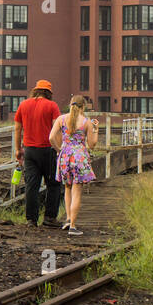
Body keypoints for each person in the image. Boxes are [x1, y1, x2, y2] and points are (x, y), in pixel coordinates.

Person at [13, 79, 62, 229]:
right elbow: (57, 128)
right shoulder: (52, 106)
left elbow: (17, 129)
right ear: (48, 93)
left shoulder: (23, 105)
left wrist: (18, 149)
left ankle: (31, 220)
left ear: (35, 90)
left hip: (29, 151)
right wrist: (60, 148)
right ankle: (49, 218)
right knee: (53, 184)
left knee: (31, 186)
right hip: (49, 150)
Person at [49, 95, 98, 236]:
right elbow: (92, 144)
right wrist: (96, 129)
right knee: (77, 191)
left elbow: (51, 137)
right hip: (79, 157)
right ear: (83, 107)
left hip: (64, 156)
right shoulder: (86, 122)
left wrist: (59, 150)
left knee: (67, 188)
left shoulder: (61, 119)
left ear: (70, 105)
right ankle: (73, 226)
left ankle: (68, 219)